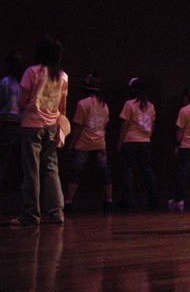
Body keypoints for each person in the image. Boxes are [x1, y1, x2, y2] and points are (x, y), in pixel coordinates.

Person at [11, 37, 68, 225]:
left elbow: (22, 102)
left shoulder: (32, 72)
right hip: (52, 126)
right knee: (51, 168)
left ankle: (31, 214)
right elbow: (62, 106)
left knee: (31, 171)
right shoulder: (63, 76)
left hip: (31, 125)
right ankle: (57, 213)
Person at [64, 74, 113, 212]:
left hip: (83, 144)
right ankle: (109, 200)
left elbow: (77, 127)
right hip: (100, 143)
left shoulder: (82, 104)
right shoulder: (104, 105)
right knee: (104, 171)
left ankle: (68, 202)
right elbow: (105, 125)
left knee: (76, 171)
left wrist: (71, 145)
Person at [117, 78, 157, 209]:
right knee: (147, 170)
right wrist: (148, 137)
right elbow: (152, 124)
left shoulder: (129, 104)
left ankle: (128, 199)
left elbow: (125, 124)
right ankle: (153, 198)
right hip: (145, 142)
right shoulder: (150, 106)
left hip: (130, 141)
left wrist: (120, 142)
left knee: (128, 170)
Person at [0, 50, 24, 186]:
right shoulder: (21, 83)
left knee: (5, 157)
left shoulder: (6, 82)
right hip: (17, 122)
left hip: (11, 122)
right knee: (17, 159)